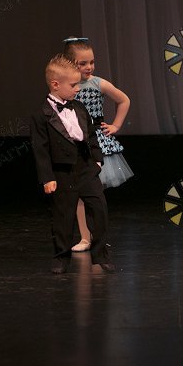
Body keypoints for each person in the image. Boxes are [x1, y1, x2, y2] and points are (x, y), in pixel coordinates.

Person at [30, 54, 115, 274]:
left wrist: (97, 159)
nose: (77, 89)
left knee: (99, 209)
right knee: (62, 216)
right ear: (55, 84)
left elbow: (91, 134)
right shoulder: (41, 114)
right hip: (62, 172)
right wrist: (47, 177)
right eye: (73, 85)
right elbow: (40, 149)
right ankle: (61, 257)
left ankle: (100, 255)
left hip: (85, 166)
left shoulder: (79, 107)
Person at [63, 37, 133, 252]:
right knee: (79, 195)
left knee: (94, 195)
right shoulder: (68, 86)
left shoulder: (98, 83)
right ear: (70, 63)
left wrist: (116, 125)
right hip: (76, 142)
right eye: (82, 63)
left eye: (91, 62)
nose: (89, 67)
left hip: (95, 142)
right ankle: (85, 238)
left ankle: (98, 238)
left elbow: (124, 100)